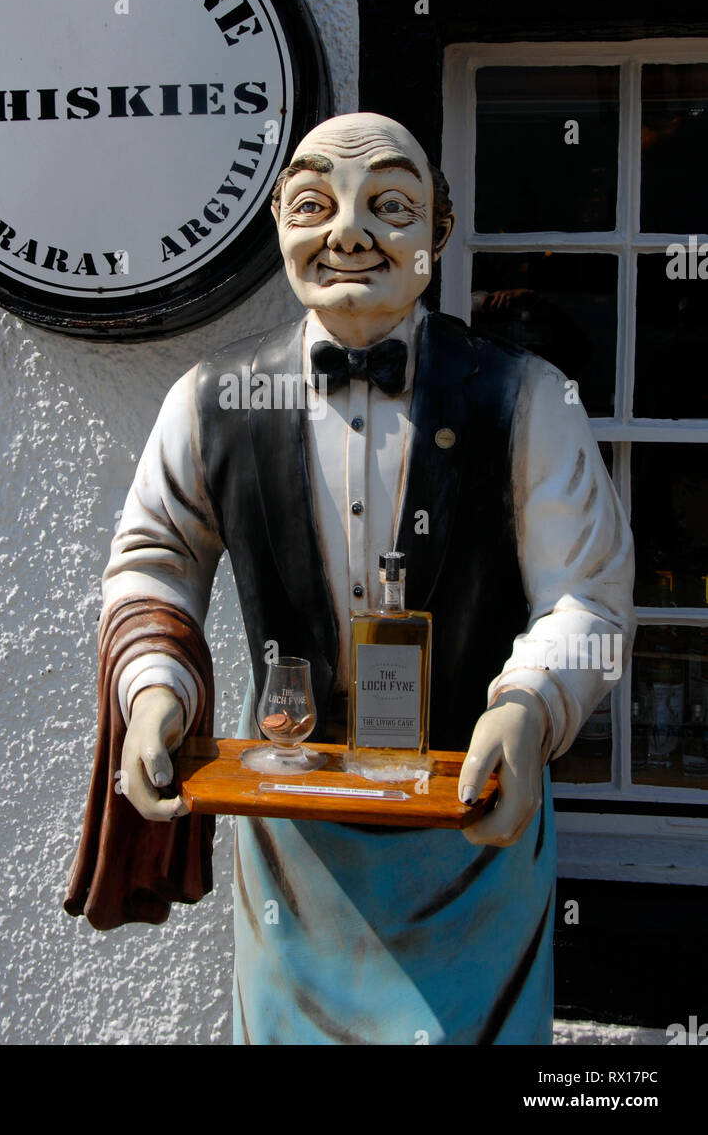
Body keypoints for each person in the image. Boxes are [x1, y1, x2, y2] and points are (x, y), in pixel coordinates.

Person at [65, 113, 635, 1045]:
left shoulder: (529, 399)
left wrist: (529, 705)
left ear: (438, 233)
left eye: (391, 205)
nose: (348, 233)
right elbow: (154, 561)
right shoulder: (210, 404)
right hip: (294, 834)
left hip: (472, 821)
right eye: (313, 204)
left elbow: (589, 594)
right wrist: (156, 691)